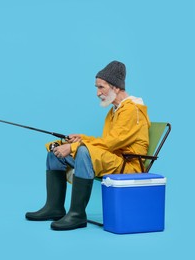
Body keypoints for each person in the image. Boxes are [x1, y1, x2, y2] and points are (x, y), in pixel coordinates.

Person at [25, 60, 151, 231]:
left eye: (101, 87)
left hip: (128, 165)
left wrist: (75, 146)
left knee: (84, 152)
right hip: (115, 158)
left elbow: (112, 143)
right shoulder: (115, 110)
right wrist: (81, 138)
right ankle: (54, 207)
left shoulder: (131, 110)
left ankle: (77, 215)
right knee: (55, 151)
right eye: (97, 87)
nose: (98, 93)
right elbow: (110, 141)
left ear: (116, 87)